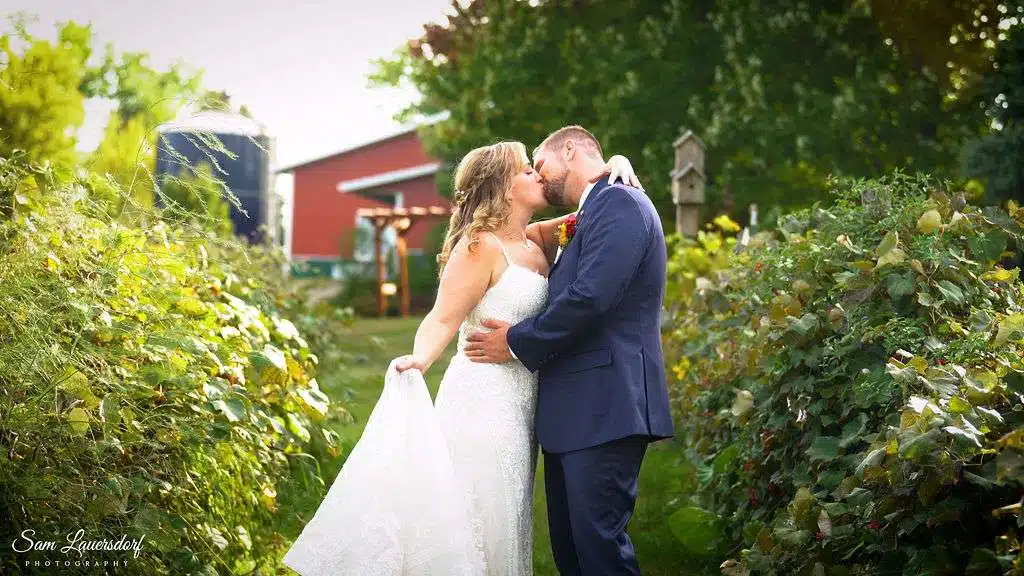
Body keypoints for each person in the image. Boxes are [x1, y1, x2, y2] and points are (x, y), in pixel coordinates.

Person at [283, 138, 641, 576]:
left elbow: (594, 207)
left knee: (508, 513)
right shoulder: (479, 246)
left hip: (522, 405)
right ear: (506, 188)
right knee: (476, 511)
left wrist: (615, 163)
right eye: (527, 170)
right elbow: (441, 317)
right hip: (482, 399)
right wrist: (420, 359)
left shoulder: (534, 242)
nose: (537, 175)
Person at [464, 126, 675, 575]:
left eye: (540, 164)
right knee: (573, 552)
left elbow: (591, 297)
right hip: (579, 412)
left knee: (599, 551)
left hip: (606, 404)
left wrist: (515, 341)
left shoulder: (620, 203)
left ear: (572, 150)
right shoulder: (596, 207)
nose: (539, 177)